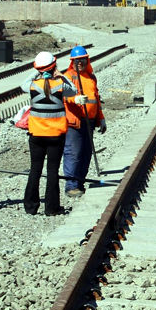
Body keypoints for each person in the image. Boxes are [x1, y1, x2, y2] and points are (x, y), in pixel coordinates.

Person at [19, 51, 78, 215]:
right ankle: (51, 208)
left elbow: (22, 84)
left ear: (38, 68)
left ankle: (30, 207)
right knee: (52, 171)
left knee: (35, 169)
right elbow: (73, 90)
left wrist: (38, 72)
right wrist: (60, 75)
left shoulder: (32, 85)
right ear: (54, 67)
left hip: (36, 135)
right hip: (56, 135)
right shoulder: (60, 84)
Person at [62, 46, 107, 197]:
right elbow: (62, 96)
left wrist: (101, 118)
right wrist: (74, 99)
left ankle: (80, 182)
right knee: (73, 153)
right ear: (72, 62)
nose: (79, 63)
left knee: (86, 153)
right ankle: (71, 185)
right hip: (75, 122)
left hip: (90, 121)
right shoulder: (67, 77)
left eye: (82, 60)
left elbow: (97, 100)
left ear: (87, 60)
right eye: (76, 61)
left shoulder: (91, 77)